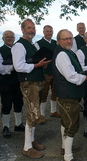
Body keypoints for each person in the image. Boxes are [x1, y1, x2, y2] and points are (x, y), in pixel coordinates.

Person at [12, 19, 51, 159]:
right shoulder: (19, 46)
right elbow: (18, 66)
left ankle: (31, 140)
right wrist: (36, 66)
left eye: (33, 28)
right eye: (29, 28)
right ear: (22, 29)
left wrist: (43, 64)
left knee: (36, 112)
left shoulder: (33, 44)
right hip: (28, 83)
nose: (32, 30)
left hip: (37, 81)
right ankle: (26, 147)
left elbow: (35, 61)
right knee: (33, 113)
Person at [52, 29, 87, 161]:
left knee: (66, 122)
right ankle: (68, 157)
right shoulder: (62, 54)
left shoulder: (67, 52)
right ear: (58, 41)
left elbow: (77, 70)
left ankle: (65, 148)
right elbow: (71, 76)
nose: (69, 41)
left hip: (68, 94)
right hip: (67, 95)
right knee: (71, 125)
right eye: (65, 39)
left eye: (70, 38)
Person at [0, 30, 24, 138]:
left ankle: (18, 124)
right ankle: (6, 127)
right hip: (5, 82)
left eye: (11, 37)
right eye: (7, 37)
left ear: (14, 38)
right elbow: (1, 68)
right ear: (3, 39)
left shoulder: (17, 49)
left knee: (19, 103)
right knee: (6, 105)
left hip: (18, 81)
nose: (9, 38)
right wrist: (14, 67)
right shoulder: (1, 51)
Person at [36, 25, 60, 125]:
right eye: (47, 31)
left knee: (55, 92)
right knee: (44, 93)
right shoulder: (38, 44)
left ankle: (53, 111)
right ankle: (42, 115)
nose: (49, 33)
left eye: (50, 31)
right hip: (45, 73)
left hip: (55, 71)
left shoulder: (56, 43)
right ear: (43, 32)